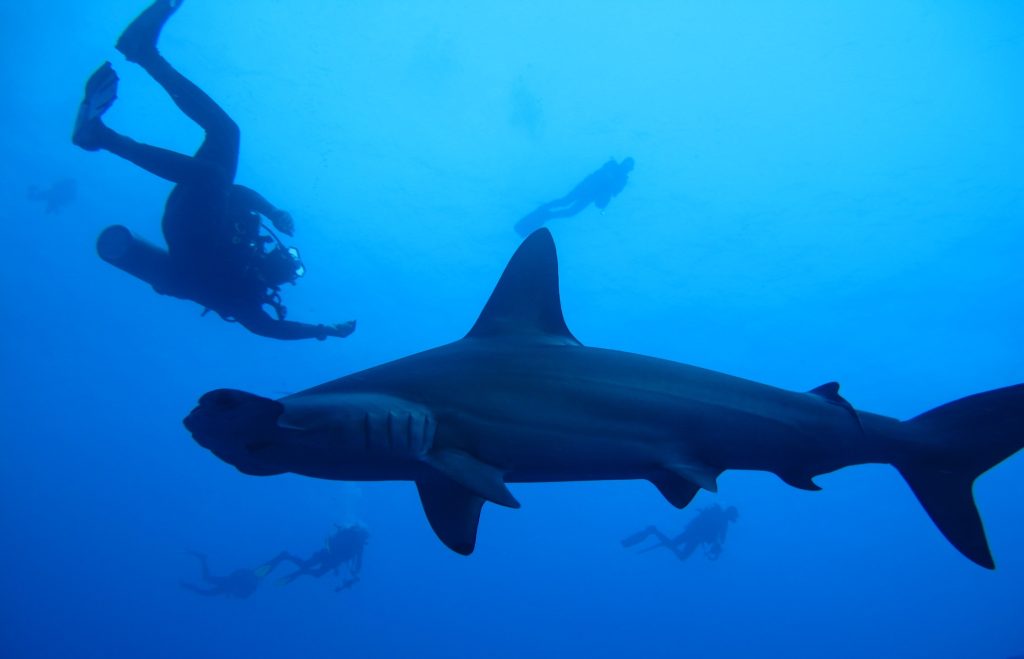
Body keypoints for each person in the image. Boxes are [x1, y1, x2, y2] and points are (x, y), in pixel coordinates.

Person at [71, 0, 355, 341]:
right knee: (227, 133)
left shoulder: (246, 294)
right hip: (195, 210)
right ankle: (143, 52)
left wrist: (322, 330)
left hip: (188, 241)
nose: (284, 256)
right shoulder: (250, 238)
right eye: (290, 256)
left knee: (212, 175)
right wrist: (273, 210)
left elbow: (269, 327)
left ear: (282, 278)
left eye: (289, 264)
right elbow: (235, 194)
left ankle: (100, 135)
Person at [514, 157, 635, 236]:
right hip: (585, 187)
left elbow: (614, 193)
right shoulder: (612, 164)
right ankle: (544, 208)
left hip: (591, 196)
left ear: (630, 169)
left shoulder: (623, 180)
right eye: (626, 164)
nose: (626, 167)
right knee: (565, 201)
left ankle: (547, 215)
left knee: (571, 212)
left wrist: (609, 190)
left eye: (628, 166)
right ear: (623, 162)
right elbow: (603, 173)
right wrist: (611, 182)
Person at [622, 504, 739, 561]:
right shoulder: (723, 522)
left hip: (690, 532)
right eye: (733, 516)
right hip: (695, 537)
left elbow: (716, 537)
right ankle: (655, 531)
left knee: (673, 545)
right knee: (682, 556)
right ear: (730, 514)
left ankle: (655, 531)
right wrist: (717, 548)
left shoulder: (717, 515)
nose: (733, 519)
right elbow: (721, 539)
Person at [277, 524, 368, 592]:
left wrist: (352, 571)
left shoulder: (356, 543)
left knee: (315, 573)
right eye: (364, 538)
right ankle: (287, 556)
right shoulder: (357, 545)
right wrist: (354, 572)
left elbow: (356, 563)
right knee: (309, 568)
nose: (363, 540)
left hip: (330, 559)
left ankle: (300, 568)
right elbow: (357, 564)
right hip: (328, 556)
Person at [179, 550, 288, 599]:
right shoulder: (248, 582)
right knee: (206, 580)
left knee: (206, 582)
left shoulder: (245, 586)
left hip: (232, 582)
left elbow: (206, 593)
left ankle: (202, 558)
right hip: (232, 581)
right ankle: (202, 558)